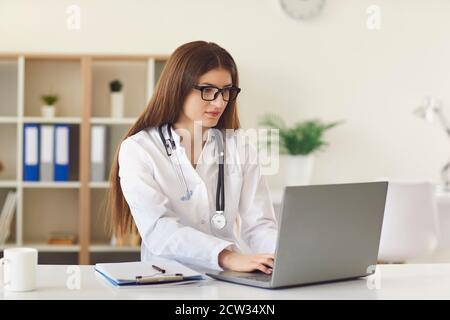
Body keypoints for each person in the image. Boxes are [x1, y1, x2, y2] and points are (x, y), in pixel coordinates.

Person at [109, 41, 278, 274]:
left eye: (226, 91)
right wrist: (226, 257)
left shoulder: (239, 147)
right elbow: (159, 228)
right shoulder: (139, 150)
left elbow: (259, 225)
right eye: (207, 91)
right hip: (167, 279)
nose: (219, 103)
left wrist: (282, 259)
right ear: (178, 87)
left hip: (230, 279)